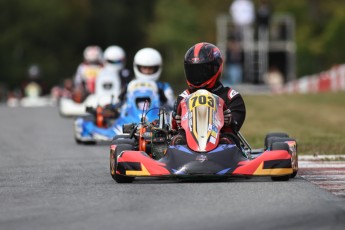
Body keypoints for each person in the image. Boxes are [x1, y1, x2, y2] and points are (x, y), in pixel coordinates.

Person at [171, 42, 246, 144]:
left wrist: (230, 120)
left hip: (220, 141)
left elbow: (236, 123)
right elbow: (174, 127)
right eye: (193, 71)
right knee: (177, 140)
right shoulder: (184, 97)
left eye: (202, 70)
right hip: (188, 144)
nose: (197, 75)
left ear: (215, 68)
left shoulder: (231, 96)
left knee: (227, 140)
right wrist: (177, 120)